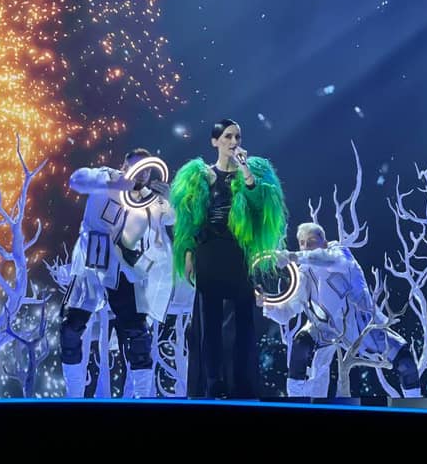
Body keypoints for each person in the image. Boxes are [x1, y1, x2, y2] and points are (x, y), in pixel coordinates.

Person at [170, 118, 287, 398]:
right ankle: (213, 383)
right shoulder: (201, 176)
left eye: (237, 137)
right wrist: (188, 255)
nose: (234, 142)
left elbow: (260, 206)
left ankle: (241, 384)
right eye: (227, 137)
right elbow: (190, 220)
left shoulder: (251, 173)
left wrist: (245, 170)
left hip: (237, 253)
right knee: (209, 321)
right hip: (209, 251)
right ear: (215, 142)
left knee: (242, 320)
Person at [261, 222, 421, 398]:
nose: (306, 247)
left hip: (361, 327)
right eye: (302, 243)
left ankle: (415, 405)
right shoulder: (303, 274)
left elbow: (328, 260)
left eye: (311, 242)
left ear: (324, 242)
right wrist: (267, 305)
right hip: (325, 329)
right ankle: (295, 400)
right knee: (301, 344)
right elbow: (287, 313)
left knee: (405, 363)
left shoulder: (341, 254)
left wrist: (291, 256)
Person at [60, 148, 172, 398]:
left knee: (137, 333)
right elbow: (76, 180)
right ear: (124, 166)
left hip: (122, 267)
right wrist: (111, 184)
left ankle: (143, 396)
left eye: (146, 170)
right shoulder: (106, 177)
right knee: (71, 328)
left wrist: (169, 198)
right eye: (135, 167)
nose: (140, 174)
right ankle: (73, 395)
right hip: (90, 264)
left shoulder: (148, 198)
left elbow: (171, 218)